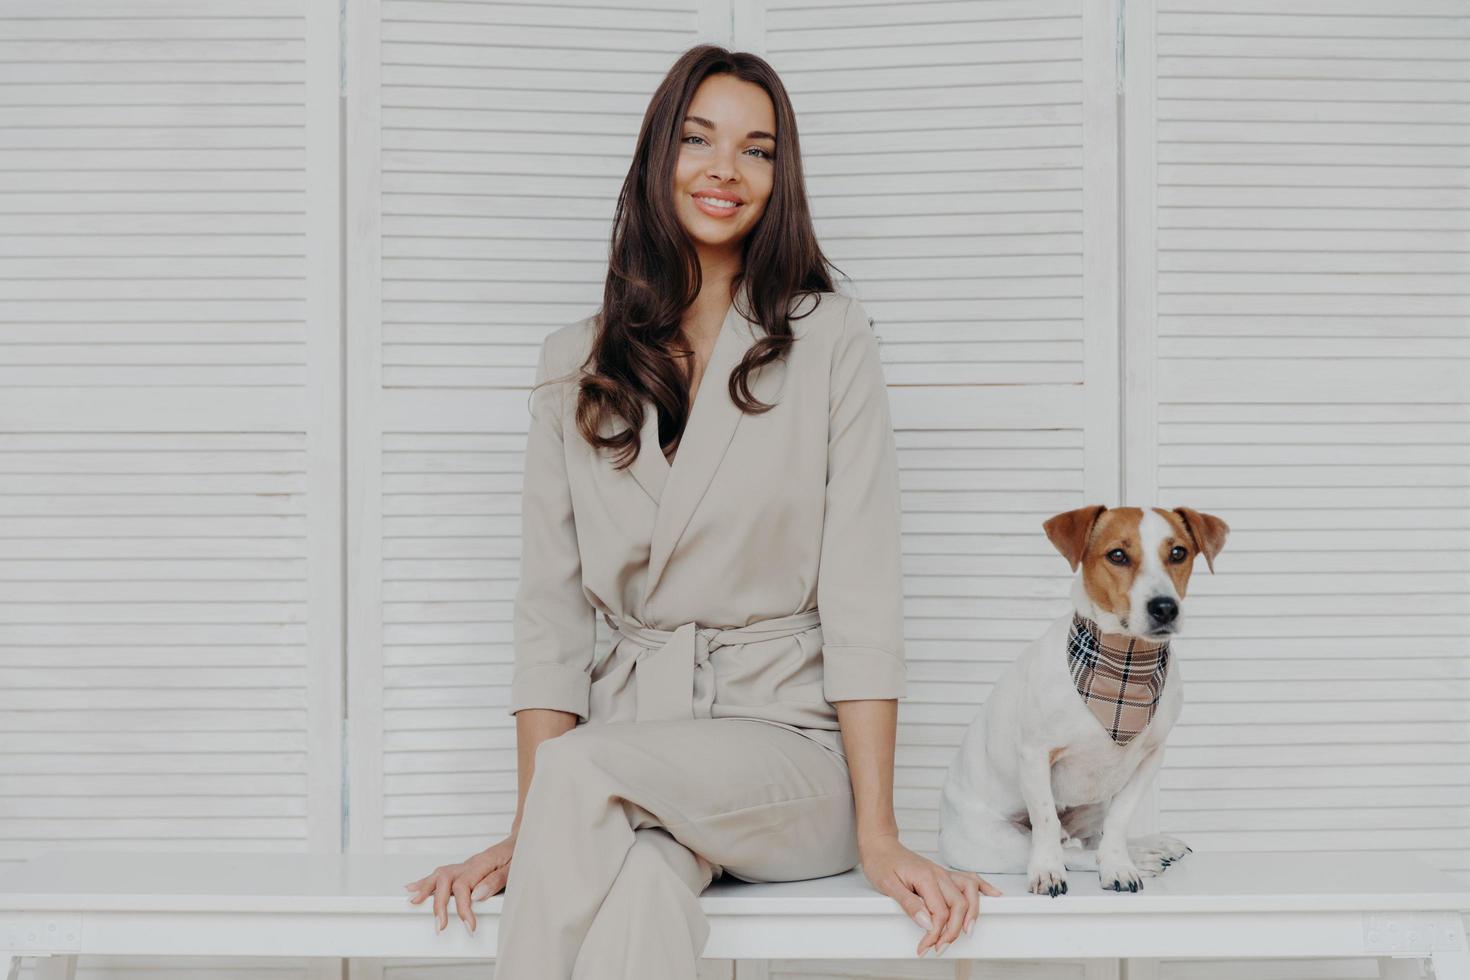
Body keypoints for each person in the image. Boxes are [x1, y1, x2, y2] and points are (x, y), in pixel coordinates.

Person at [403, 44, 1001, 977]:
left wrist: (881, 835)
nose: (726, 168)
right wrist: (539, 833)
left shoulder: (828, 339)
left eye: (757, 149)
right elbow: (550, 620)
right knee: (639, 890)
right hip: (634, 757)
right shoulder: (573, 364)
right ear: (657, 158)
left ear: (780, 176)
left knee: (582, 771)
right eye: (698, 138)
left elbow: (862, 591)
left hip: (788, 758)